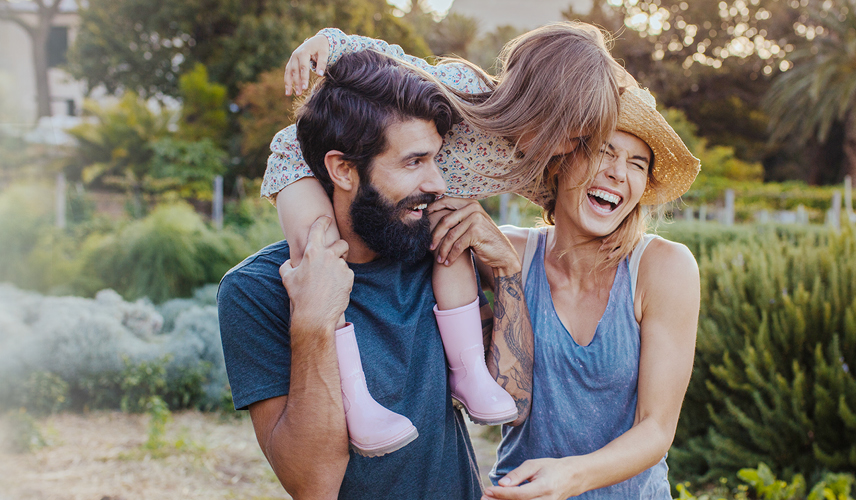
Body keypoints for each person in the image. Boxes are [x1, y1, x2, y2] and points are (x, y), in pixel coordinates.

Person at [265, 22, 629, 455]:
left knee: (453, 236)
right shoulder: (465, 90)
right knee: (318, 252)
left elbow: (566, 198)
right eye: (569, 133)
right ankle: (354, 398)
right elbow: (392, 60)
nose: (570, 147)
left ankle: (469, 370)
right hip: (305, 160)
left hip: (418, 196)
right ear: (538, 106)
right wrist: (327, 43)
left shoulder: (533, 157)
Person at [217, 49, 535, 498]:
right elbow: (313, 486)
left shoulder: (431, 251)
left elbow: (514, 402)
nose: (438, 183)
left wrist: (504, 269)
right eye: (412, 162)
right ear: (342, 169)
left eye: (435, 159)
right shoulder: (254, 291)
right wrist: (312, 321)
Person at [461, 85, 701, 499]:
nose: (618, 172)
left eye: (637, 163)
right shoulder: (510, 252)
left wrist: (572, 477)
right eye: (604, 151)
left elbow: (656, 427)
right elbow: (431, 160)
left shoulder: (663, 269)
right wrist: (336, 48)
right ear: (560, 159)